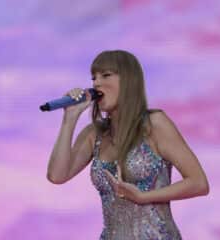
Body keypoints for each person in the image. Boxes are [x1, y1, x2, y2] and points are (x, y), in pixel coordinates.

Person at [47, 49, 210, 239]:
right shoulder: (94, 134)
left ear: (128, 81)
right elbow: (57, 175)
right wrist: (70, 118)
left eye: (105, 75)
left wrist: (143, 197)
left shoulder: (154, 124)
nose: (96, 83)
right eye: (93, 78)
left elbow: (198, 183)